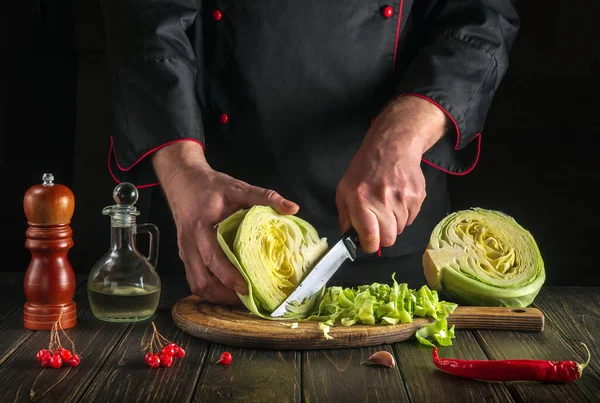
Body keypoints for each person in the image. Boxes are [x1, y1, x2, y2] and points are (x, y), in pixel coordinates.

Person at [101, 1, 519, 305]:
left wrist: (402, 134)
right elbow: (144, 17)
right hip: (213, 225)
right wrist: (182, 170)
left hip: (386, 235)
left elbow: (482, 18)